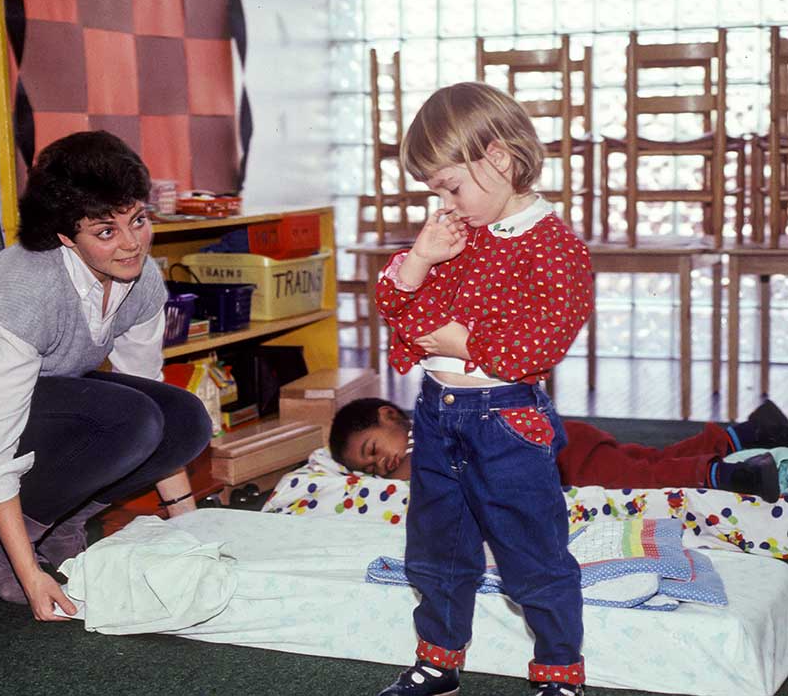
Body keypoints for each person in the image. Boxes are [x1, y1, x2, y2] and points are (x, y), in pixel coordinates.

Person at [0, 130, 213, 623]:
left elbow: (152, 393)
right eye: (106, 232)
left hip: (46, 389)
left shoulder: (141, 278)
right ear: (65, 236)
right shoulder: (26, 287)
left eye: (138, 220)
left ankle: (61, 519)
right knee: (130, 420)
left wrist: (191, 531)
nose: (131, 244)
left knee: (184, 418)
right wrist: (28, 573)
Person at [374, 82, 593, 696]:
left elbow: (541, 344)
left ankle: (559, 671)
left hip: (505, 421)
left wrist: (461, 343)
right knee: (436, 548)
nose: (445, 203)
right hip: (436, 415)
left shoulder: (554, 247)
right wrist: (421, 258)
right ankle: (438, 662)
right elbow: (398, 307)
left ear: (498, 158)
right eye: (436, 192)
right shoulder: (458, 233)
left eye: (451, 186)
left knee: (532, 553)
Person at [330, 397, 788, 503]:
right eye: (369, 470)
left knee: (644, 478)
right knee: (650, 460)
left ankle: (729, 476)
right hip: (564, 439)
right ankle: (748, 432)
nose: (381, 465)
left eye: (373, 450)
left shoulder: (426, 438)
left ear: (390, 417)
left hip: (554, 459)